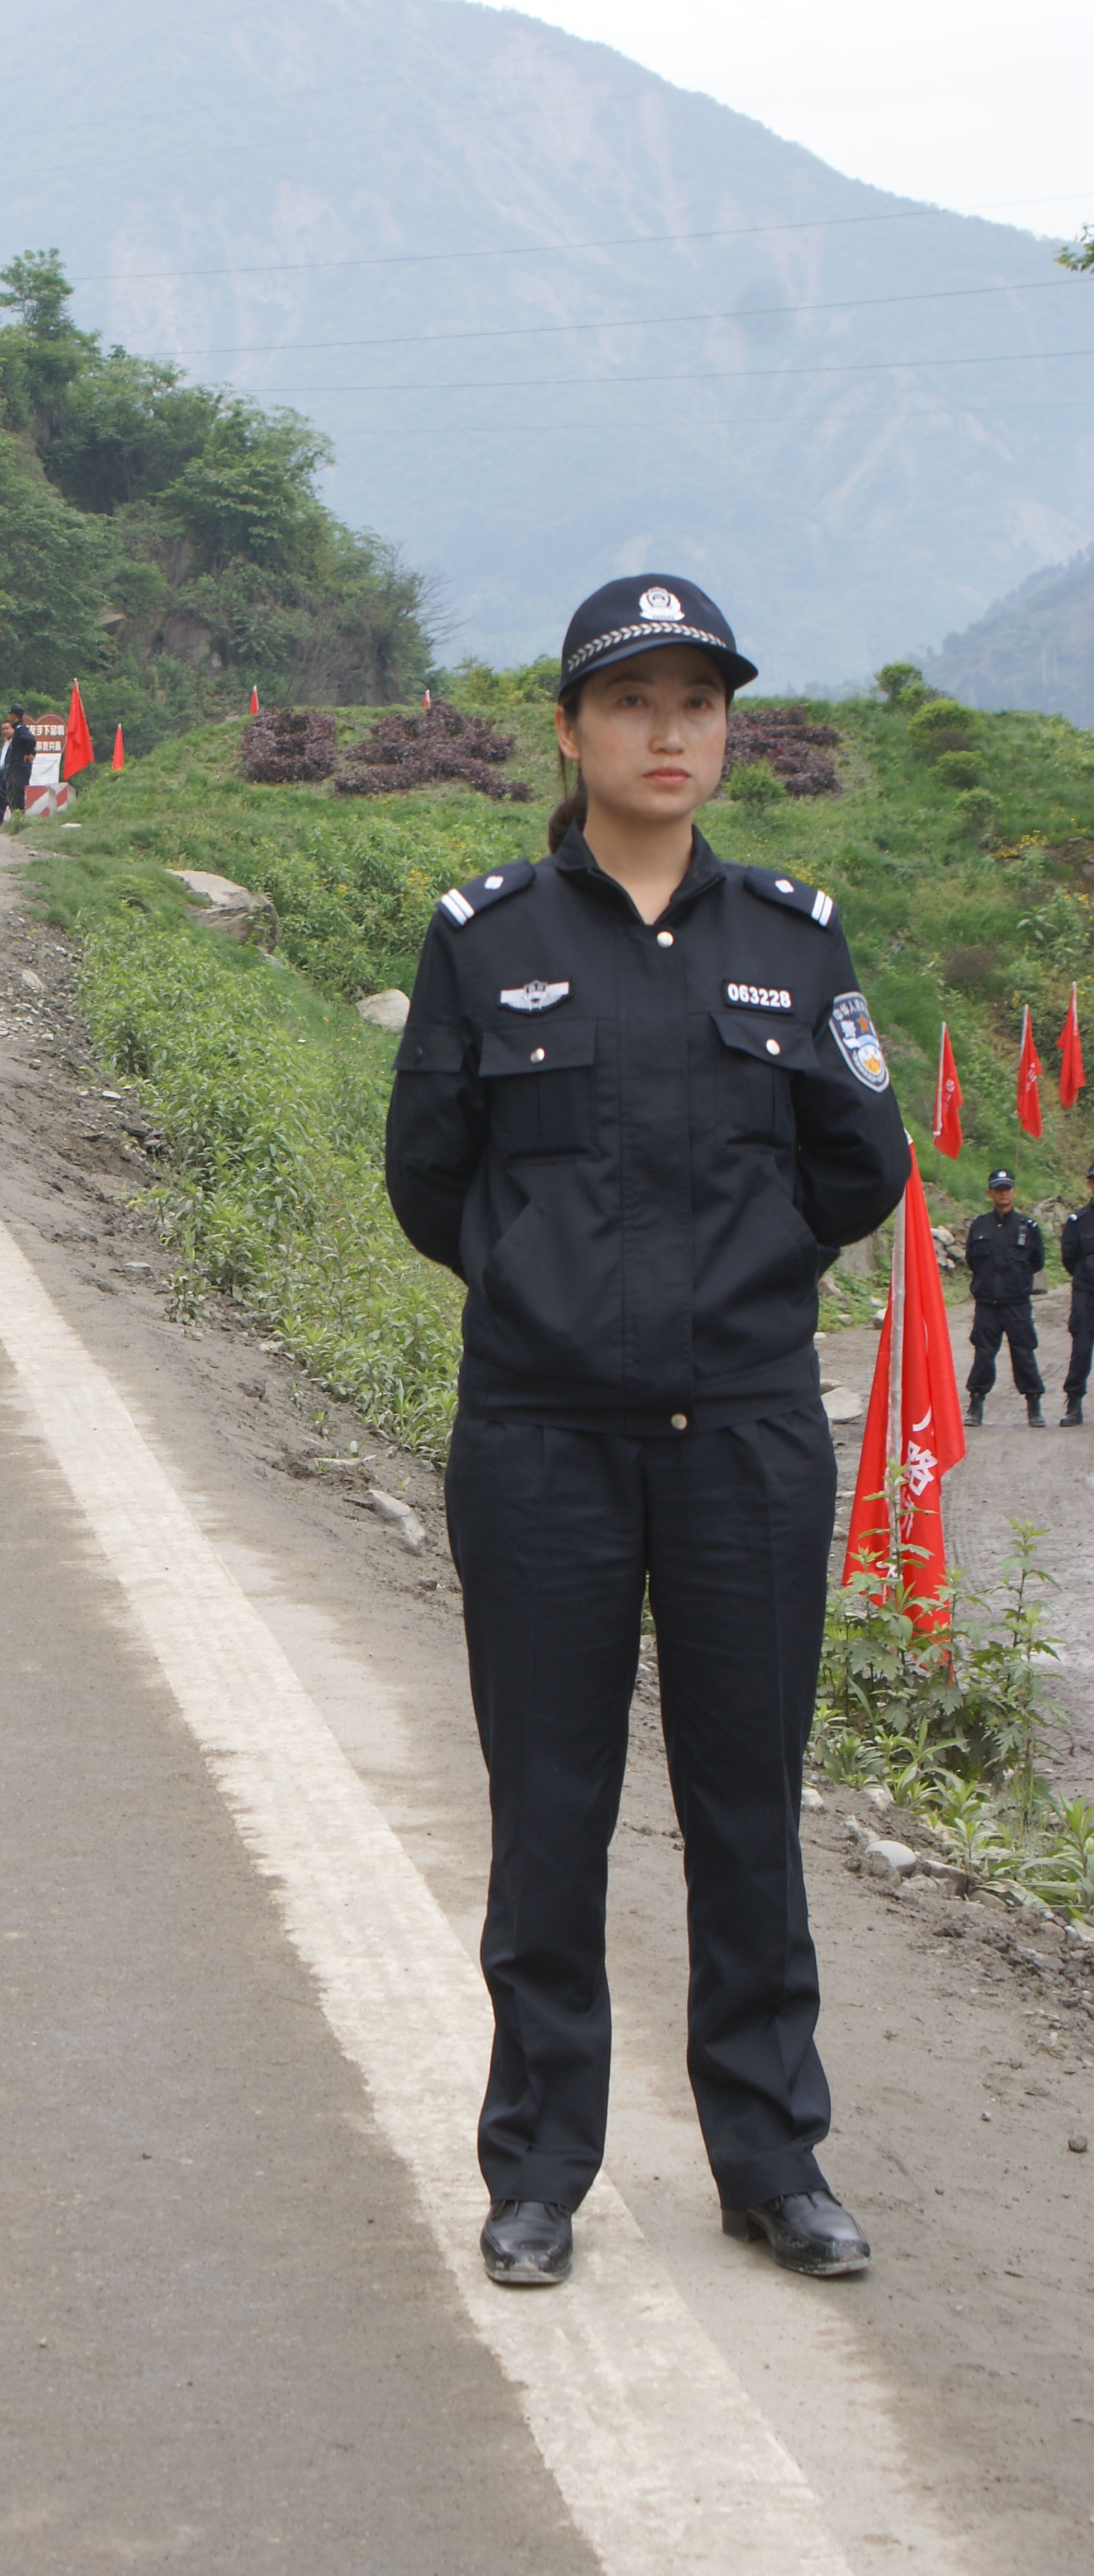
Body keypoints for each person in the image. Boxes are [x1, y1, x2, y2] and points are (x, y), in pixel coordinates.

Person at [385, 573, 909, 2295]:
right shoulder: (487, 940)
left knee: (747, 1801)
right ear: (569, 728)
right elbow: (428, 1179)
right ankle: (537, 2166)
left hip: (744, 1434)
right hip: (540, 1438)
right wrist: (554, 1292)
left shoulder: (793, 938)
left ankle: (771, 2156)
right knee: (549, 1807)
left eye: (698, 701)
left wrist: (729, 1287)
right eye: (632, 701)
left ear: (725, 727)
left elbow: (860, 1163)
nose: (669, 731)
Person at [965, 1168, 1046, 1426]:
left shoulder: (1028, 1227)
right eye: (998, 1189)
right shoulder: (979, 1226)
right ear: (990, 1193)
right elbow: (972, 1261)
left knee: (1024, 1354)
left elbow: (1037, 1262)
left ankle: (1034, 1407)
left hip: (1016, 1304)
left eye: (1007, 1188)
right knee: (983, 1355)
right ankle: (976, 1405)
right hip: (988, 1304)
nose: (1003, 1193)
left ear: (1014, 1192)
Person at [1060, 1161, 1094, 1427]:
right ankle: (1074, 1404)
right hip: (1086, 1292)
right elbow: (1069, 1259)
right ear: (1089, 1184)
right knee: (1081, 1349)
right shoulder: (1078, 1221)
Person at [0, 704, 36, 833]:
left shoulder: (20, 729)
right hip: (9, 772)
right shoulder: (9, 741)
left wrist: (28, 752)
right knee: (3, 797)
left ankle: (19, 823)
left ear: (13, 716)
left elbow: (30, 740)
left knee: (17, 797)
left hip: (18, 770)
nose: (5, 731)